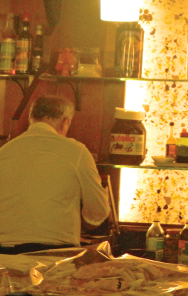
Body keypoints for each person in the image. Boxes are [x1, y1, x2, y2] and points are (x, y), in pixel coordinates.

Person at [0, 95, 110, 254]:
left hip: (5, 254)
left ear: (31, 118)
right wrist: (86, 222)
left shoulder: (4, 151)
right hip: (53, 254)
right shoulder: (76, 152)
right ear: (66, 121)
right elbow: (98, 211)